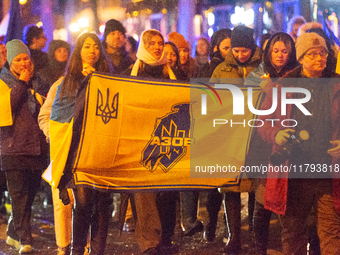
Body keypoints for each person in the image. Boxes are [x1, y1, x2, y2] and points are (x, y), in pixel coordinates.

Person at [258, 32, 340, 255]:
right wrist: (276, 134)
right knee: (293, 234)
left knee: (332, 234)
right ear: (301, 58)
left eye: (322, 53)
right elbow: (262, 121)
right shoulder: (282, 86)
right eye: (312, 54)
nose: (319, 58)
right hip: (293, 173)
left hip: (327, 173)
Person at [51, 32, 112, 255]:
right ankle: (78, 249)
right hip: (78, 152)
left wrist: (99, 81)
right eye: (87, 47)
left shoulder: (108, 77)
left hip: (103, 148)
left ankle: (97, 251)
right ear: (79, 51)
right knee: (84, 203)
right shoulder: (67, 82)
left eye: (96, 46)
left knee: (103, 204)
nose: (92, 51)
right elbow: (59, 118)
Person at [245, 32, 299, 254]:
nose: (280, 55)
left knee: (287, 202)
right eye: (275, 51)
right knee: (261, 201)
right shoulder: (257, 74)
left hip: (286, 144)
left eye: (284, 51)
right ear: (269, 52)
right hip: (261, 144)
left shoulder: (296, 74)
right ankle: (260, 247)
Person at [211, 25, 262, 254]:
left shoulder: (262, 68)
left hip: (256, 134)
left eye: (245, 50)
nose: (241, 55)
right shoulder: (222, 69)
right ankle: (234, 236)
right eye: (236, 50)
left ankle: (254, 231)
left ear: (251, 47)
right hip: (229, 133)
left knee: (254, 186)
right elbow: (210, 98)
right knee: (229, 186)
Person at [130, 29, 176, 255]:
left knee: (167, 192)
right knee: (145, 193)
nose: (158, 47)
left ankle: (165, 237)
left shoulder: (170, 74)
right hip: (141, 140)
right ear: (143, 46)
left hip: (167, 139)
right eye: (152, 44)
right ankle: (148, 241)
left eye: (160, 43)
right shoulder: (133, 74)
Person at [0, 39, 48, 253]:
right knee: (18, 194)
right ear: (9, 62)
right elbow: (8, 106)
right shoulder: (3, 82)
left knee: (30, 193)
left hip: (36, 146)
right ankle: (24, 237)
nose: (23, 63)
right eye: (17, 59)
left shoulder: (38, 81)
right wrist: (21, 83)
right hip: (13, 146)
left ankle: (13, 231)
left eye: (26, 58)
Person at [37, 40, 73, 255]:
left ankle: (84, 244)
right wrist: (54, 135)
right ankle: (64, 244)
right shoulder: (60, 83)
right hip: (62, 148)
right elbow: (44, 115)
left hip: (89, 149)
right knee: (62, 197)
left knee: (87, 201)